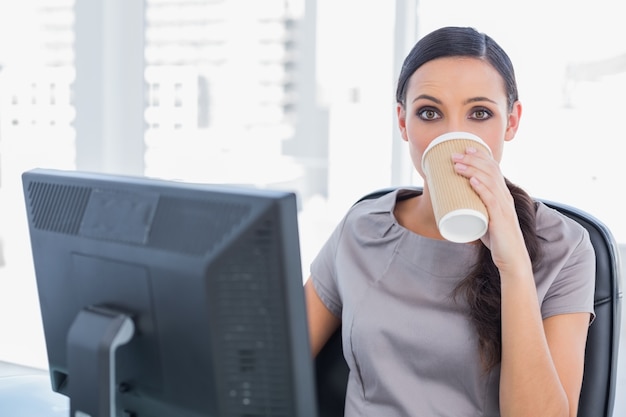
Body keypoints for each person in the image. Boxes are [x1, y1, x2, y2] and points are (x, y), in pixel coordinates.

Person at [304, 26, 595, 417]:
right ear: (403, 123)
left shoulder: (565, 246)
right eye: (429, 112)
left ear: (511, 122)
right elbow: (268, 364)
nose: (454, 134)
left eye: (480, 113)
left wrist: (514, 267)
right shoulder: (361, 228)